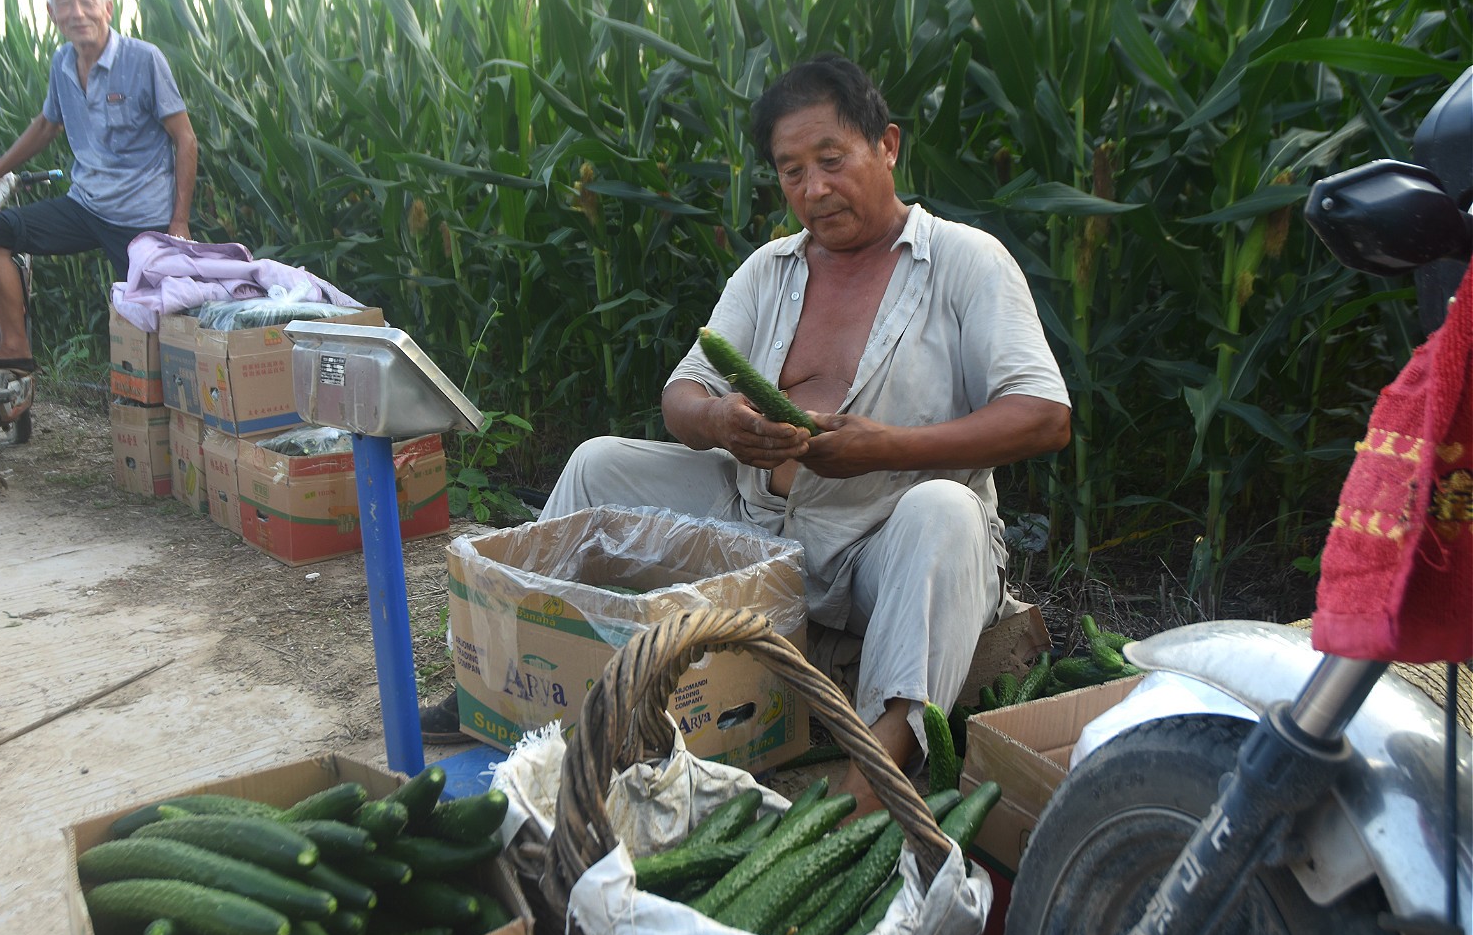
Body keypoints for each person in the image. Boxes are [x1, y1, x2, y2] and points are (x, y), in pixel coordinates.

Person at [423, 54, 1071, 815]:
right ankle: (509, 683)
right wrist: (722, 424)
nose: (813, 189)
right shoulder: (771, 269)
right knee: (599, 464)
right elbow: (682, 394)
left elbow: (1044, 415)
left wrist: (884, 447)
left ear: (887, 145)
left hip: (881, 544)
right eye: (791, 171)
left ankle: (873, 777)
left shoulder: (963, 262)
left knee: (948, 515)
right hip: (756, 530)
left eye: (832, 160)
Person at [0, 0, 197, 375]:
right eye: (65, 3)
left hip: (141, 219)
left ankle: (169, 416)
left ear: (107, 8)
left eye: (87, 2)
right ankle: (16, 348)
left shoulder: (143, 59)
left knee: (161, 323)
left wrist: (179, 221)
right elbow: (47, 124)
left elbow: (185, 139)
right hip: (83, 206)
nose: (77, 13)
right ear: (51, 13)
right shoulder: (62, 61)